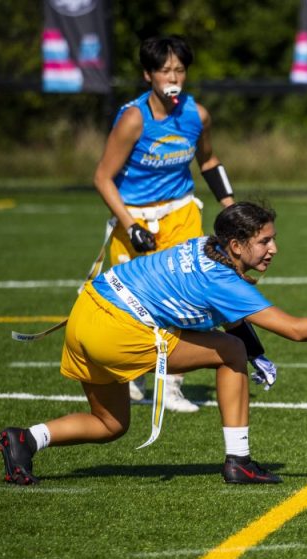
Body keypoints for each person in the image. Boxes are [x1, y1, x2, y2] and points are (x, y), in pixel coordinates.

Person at [0, 202, 307, 486]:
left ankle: (26, 439)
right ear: (236, 246)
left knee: (111, 424)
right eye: (265, 241)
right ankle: (239, 462)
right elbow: (297, 330)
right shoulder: (225, 280)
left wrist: (257, 353)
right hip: (119, 328)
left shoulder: (206, 245)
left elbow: (221, 313)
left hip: (87, 311)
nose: (274, 249)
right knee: (231, 353)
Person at [93, 35, 237, 412]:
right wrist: (130, 223)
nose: (173, 76)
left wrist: (230, 206)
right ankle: (131, 376)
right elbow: (103, 177)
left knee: (189, 296)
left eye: (179, 69)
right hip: (135, 217)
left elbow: (208, 161)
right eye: (164, 70)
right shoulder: (133, 119)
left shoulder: (197, 114)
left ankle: (171, 385)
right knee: (134, 304)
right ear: (148, 75)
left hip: (181, 214)